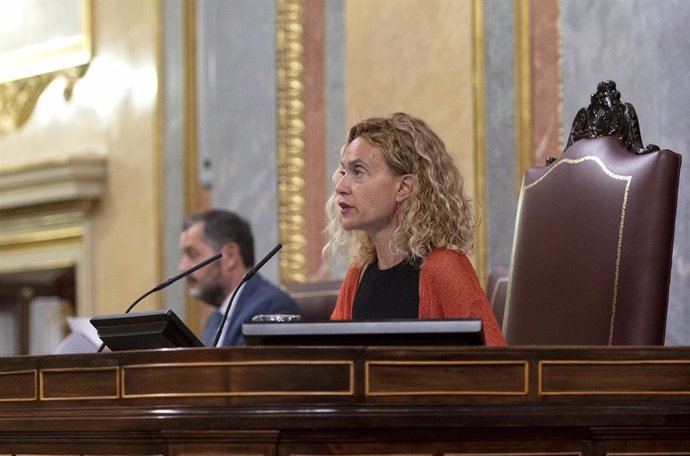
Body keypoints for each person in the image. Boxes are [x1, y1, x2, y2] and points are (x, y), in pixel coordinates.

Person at [324, 112, 506, 346]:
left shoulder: (444, 268)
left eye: (358, 172)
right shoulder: (357, 275)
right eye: (343, 171)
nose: (340, 186)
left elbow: (499, 367)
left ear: (403, 187)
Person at [179, 209, 299, 346]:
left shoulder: (271, 309)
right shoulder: (214, 320)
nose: (183, 267)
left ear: (230, 256)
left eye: (193, 254)